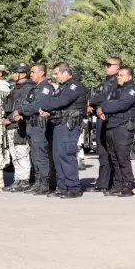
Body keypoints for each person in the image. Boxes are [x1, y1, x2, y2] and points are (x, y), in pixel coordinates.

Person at [40, 62, 89, 199]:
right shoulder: (63, 87)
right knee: (57, 155)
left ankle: (73, 187)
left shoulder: (75, 86)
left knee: (66, 155)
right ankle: (62, 187)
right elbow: (54, 100)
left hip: (69, 124)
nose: (56, 76)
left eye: (57, 73)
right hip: (59, 123)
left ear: (65, 73)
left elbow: (60, 101)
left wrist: (44, 105)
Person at [99, 66, 135, 196]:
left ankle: (127, 185)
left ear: (129, 77)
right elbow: (105, 102)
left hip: (123, 127)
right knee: (114, 158)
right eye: (118, 75)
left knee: (122, 158)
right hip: (111, 126)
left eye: (122, 75)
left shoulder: (132, 91)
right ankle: (117, 185)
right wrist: (102, 107)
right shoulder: (116, 90)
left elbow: (121, 105)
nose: (119, 77)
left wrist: (104, 108)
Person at [15, 64, 57, 195]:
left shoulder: (46, 88)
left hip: (40, 124)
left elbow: (38, 106)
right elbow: (26, 103)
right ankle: (38, 181)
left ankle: (45, 183)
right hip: (31, 124)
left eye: (33, 72)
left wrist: (21, 110)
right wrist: (22, 109)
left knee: (41, 155)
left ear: (42, 73)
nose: (31, 74)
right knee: (34, 155)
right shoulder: (35, 89)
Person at [89, 57, 122, 192]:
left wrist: (91, 102)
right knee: (102, 152)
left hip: (110, 119)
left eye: (109, 65)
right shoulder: (106, 81)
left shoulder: (117, 82)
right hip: (101, 118)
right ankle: (103, 182)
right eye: (106, 64)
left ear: (118, 67)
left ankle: (111, 182)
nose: (106, 67)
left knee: (111, 152)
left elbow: (105, 97)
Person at [4, 63, 35, 192]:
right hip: (11, 125)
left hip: (20, 125)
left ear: (24, 73)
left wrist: (10, 118)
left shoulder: (28, 88)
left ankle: (24, 180)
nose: (14, 75)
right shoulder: (15, 88)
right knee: (14, 154)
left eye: (17, 72)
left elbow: (22, 107)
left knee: (21, 153)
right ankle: (18, 178)